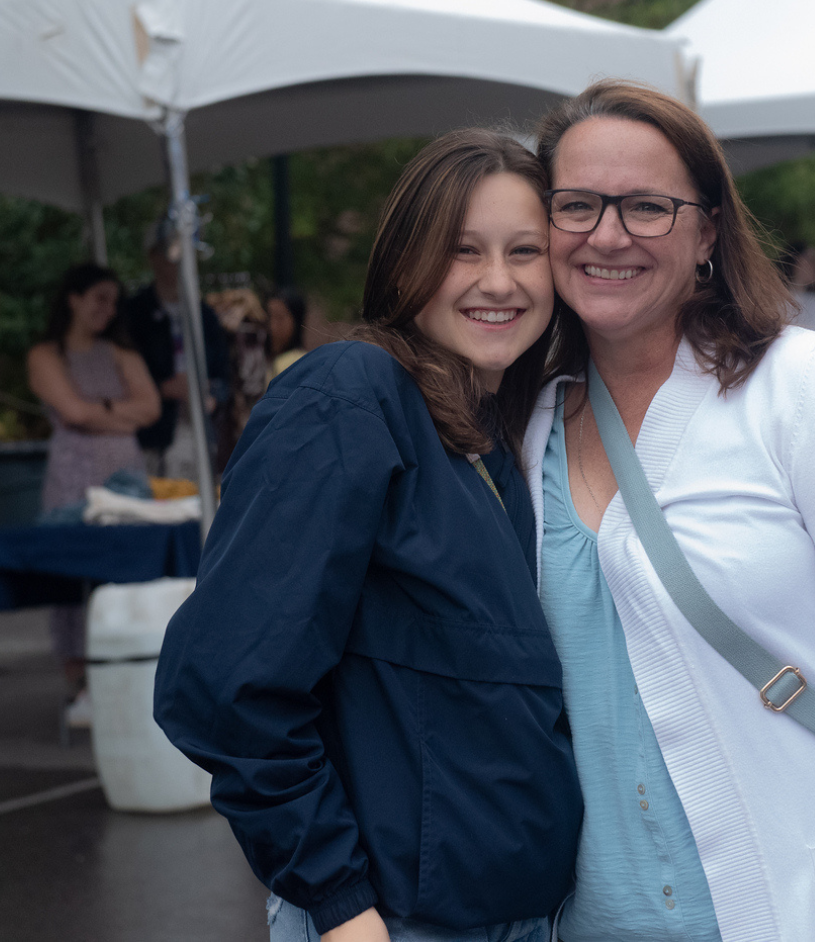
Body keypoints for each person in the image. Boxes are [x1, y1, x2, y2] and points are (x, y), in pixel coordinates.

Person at [520, 82, 815, 942]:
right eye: (576, 205)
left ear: (708, 231)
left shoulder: (802, 388)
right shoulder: (527, 422)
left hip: (808, 913)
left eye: (647, 207)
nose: (606, 234)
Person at [154, 130, 583, 942]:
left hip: (516, 912)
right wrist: (341, 903)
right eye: (463, 251)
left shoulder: (492, 432)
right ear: (404, 262)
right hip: (392, 919)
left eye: (525, 251)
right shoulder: (349, 395)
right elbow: (223, 685)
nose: (499, 281)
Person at [27, 262, 161, 720]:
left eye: (112, 300)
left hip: (125, 474)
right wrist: (115, 412)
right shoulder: (47, 354)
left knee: (128, 572)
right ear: (74, 299)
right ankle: (80, 680)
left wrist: (98, 409)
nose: (107, 309)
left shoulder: (121, 352)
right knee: (72, 580)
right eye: (99, 298)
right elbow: (72, 412)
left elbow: (150, 408)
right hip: (72, 477)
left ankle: (130, 674)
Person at [127, 222, 230, 480]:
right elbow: (121, 374)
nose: (179, 260)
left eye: (186, 252)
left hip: (199, 430)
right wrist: (162, 389)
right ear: (153, 255)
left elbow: (225, 373)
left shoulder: (204, 316)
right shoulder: (134, 313)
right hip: (152, 433)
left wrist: (213, 394)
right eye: (171, 251)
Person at [265, 287, 308, 383]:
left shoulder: (292, 363)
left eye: (279, 318)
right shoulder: (269, 360)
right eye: (269, 317)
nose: (272, 326)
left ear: (296, 321)